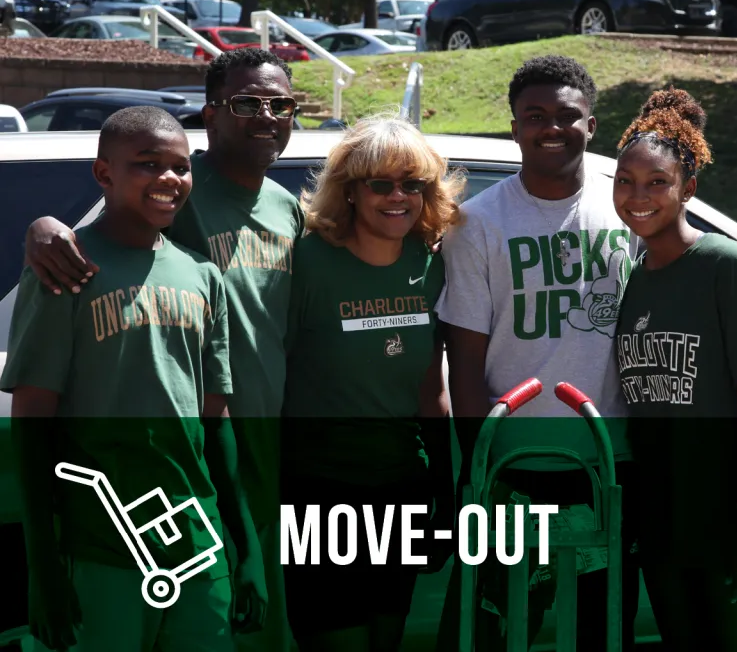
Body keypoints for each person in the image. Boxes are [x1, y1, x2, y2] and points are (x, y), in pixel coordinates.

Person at [434, 56, 737, 651]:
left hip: (613, 470)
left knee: (601, 633)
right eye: (535, 115)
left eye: (566, 115)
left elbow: (698, 274)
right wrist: (481, 474)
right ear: (514, 124)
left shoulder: (628, 211)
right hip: (511, 471)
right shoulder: (477, 223)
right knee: (485, 630)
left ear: (591, 125)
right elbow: (465, 363)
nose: (551, 127)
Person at [22, 48, 305, 652]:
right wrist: (41, 226)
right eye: (246, 102)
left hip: (237, 475)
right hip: (118, 510)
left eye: (280, 104)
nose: (265, 115)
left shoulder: (285, 211)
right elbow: (103, 229)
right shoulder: (165, 208)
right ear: (212, 113)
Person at [613, 88, 737, 651]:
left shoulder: (723, 263)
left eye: (657, 182)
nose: (638, 196)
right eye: (625, 181)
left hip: (728, 516)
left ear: (687, 189)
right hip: (666, 521)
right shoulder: (633, 276)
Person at [281, 116, 464, 652]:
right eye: (380, 183)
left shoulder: (431, 264)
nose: (398, 196)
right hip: (318, 496)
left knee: (386, 641)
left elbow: (433, 391)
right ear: (352, 191)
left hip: (401, 491)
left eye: (414, 184)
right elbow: (272, 371)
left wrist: (446, 497)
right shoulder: (307, 262)